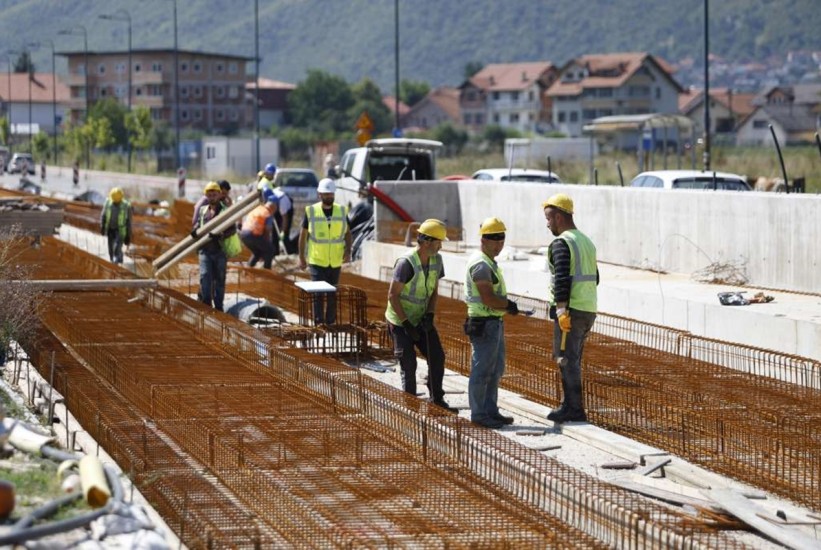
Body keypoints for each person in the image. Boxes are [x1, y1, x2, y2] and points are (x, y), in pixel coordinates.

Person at [384, 219, 457, 412]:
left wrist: (430, 314)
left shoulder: (437, 260)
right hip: (400, 322)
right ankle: (410, 407)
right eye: (438, 242)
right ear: (426, 242)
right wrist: (407, 324)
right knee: (408, 363)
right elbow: (392, 295)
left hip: (421, 318)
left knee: (437, 356)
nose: (441, 246)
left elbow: (433, 290)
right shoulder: (406, 263)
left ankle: (437, 399)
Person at [543, 193, 598, 424]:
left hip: (571, 311)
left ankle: (573, 409)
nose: (547, 224)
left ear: (558, 217)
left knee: (566, 359)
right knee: (573, 358)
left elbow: (562, 279)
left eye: (548, 219)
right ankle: (571, 405)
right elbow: (595, 277)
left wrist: (561, 310)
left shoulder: (562, 242)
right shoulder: (586, 241)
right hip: (588, 309)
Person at [463, 217, 520, 429]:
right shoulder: (480, 264)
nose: (499, 245)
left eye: (502, 240)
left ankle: (490, 410)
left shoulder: (489, 262)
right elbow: (487, 297)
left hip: (493, 322)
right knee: (482, 370)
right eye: (495, 240)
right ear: (484, 240)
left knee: (495, 369)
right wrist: (507, 305)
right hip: (484, 323)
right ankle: (479, 414)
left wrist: (505, 308)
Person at [298, 178, 352, 325]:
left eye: (331, 194)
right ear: (319, 194)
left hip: (335, 261)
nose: (329, 197)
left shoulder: (341, 211)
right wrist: (301, 257)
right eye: (326, 194)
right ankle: (319, 323)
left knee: (332, 294)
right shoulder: (311, 211)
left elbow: (347, 233)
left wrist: (348, 251)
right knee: (318, 294)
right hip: (316, 260)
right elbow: (303, 236)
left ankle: (330, 322)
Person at [192, 181, 235, 312]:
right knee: (205, 277)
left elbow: (232, 230)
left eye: (214, 194)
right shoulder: (202, 210)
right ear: (206, 196)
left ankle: (219, 307)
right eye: (209, 195)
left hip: (219, 251)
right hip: (205, 251)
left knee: (219, 280)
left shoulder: (225, 211)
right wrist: (195, 230)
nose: (212, 197)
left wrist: (221, 235)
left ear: (218, 194)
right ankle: (206, 305)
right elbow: (197, 225)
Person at [240, 193, 279, 269]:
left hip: (244, 235)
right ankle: (267, 270)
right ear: (273, 206)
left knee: (257, 252)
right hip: (253, 234)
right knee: (270, 250)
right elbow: (267, 232)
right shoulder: (267, 214)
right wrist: (268, 245)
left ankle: (249, 268)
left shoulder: (258, 209)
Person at [100, 187, 133, 264]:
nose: (116, 203)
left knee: (117, 248)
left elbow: (129, 222)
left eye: (117, 202)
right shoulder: (108, 203)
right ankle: (114, 261)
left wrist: (128, 235)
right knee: (111, 250)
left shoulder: (126, 206)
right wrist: (102, 226)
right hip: (110, 229)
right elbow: (103, 215)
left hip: (120, 231)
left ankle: (117, 263)